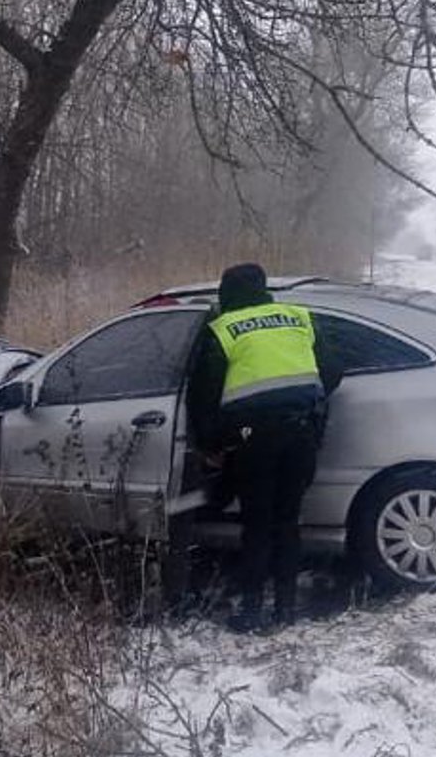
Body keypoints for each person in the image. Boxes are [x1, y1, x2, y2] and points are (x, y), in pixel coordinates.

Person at [187, 263, 341, 633]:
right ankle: (285, 609)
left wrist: (213, 445)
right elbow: (333, 371)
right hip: (301, 434)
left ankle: (252, 610)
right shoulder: (298, 317)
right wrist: (303, 404)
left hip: (252, 439)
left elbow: (203, 396)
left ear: (227, 293)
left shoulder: (223, 330)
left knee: (256, 524)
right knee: (288, 522)